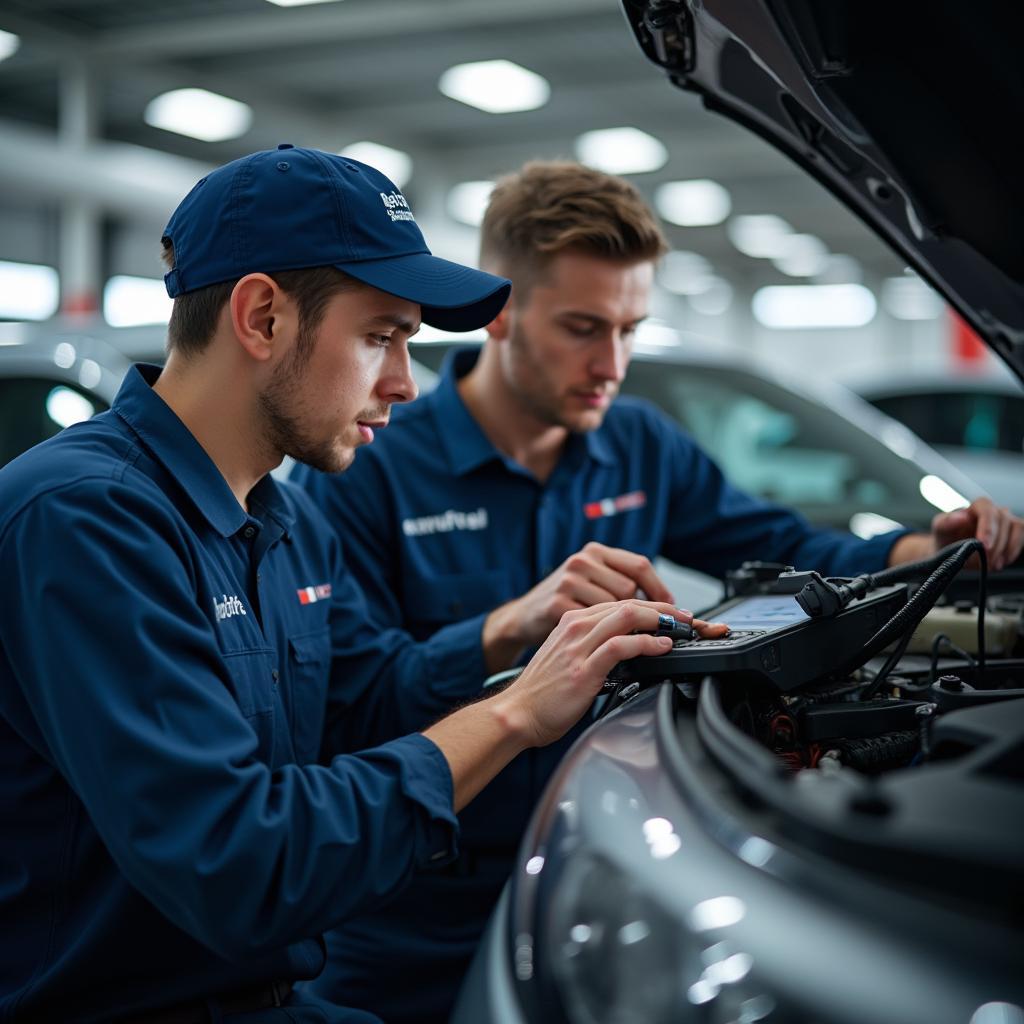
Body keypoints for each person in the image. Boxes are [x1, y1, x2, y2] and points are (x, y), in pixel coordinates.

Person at [0, 147, 720, 1024]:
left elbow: (358, 707)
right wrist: (512, 715)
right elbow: (240, 863)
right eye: (381, 336)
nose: (405, 384)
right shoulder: (83, 520)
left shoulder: (283, 523)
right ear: (261, 317)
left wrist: (529, 649)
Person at [293, 159, 1024, 1022]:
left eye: (630, 329)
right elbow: (348, 705)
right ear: (500, 315)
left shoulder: (640, 444)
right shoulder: (365, 463)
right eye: (582, 328)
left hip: (591, 871)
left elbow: (785, 547)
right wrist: (507, 626)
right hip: (410, 916)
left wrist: (924, 546)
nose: (612, 364)